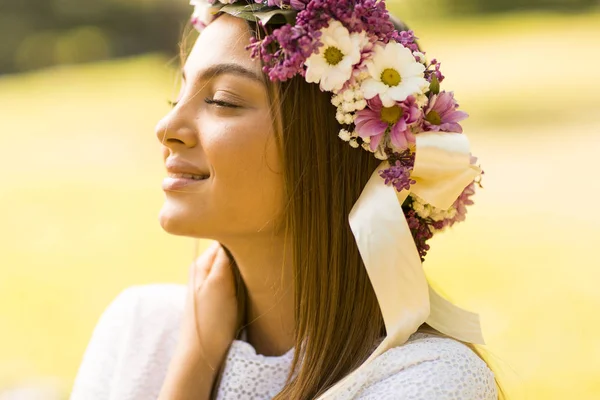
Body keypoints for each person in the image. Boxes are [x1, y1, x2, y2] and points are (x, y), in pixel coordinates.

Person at [70, 1, 503, 399]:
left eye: (223, 101)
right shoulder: (139, 327)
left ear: (331, 151)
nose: (167, 126)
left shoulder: (431, 380)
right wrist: (195, 357)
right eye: (177, 95)